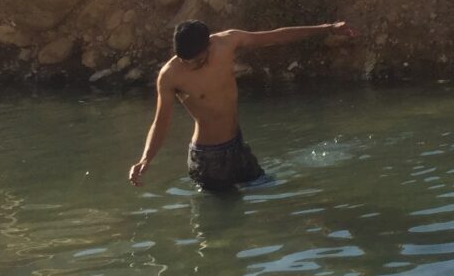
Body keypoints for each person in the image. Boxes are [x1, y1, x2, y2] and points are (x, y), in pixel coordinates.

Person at [128, 18, 354, 192]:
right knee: (221, 225)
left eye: (198, 60)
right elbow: (161, 122)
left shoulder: (227, 42)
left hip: (237, 146)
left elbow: (275, 37)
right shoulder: (170, 76)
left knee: (269, 190)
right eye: (185, 62)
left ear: (209, 44)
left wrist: (328, 27)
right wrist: (145, 159)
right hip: (208, 159)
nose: (192, 66)